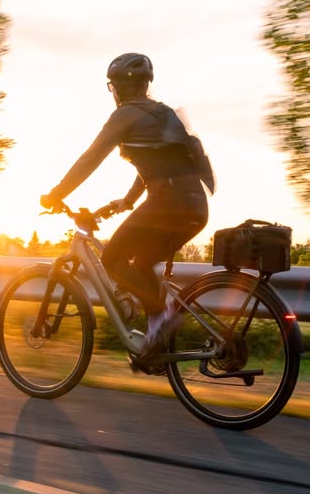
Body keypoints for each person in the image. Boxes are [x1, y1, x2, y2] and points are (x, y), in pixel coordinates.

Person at [40, 52, 211, 361]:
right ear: (146, 84)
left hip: (168, 202)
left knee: (114, 259)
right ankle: (156, 338)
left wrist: (56, 193)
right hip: (196, 206)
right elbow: (161, 163)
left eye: (111, 86)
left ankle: (162, 317)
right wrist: (128, 201)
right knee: (142, 262)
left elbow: (90, 158)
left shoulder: (125, 114)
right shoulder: (163, 113)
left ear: (117, 86)